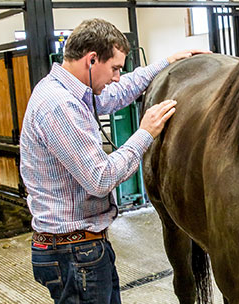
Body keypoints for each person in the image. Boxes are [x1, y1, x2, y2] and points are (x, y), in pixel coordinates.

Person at [20, 18, 210, 303]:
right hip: (74, 256)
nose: (118, 77)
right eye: (115, 68)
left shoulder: (70, 91)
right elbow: (100, 179)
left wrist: (166, 62)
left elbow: (117, 93)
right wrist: (145, 133)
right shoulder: (60, 105)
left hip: (81, 249)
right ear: (92, 59)